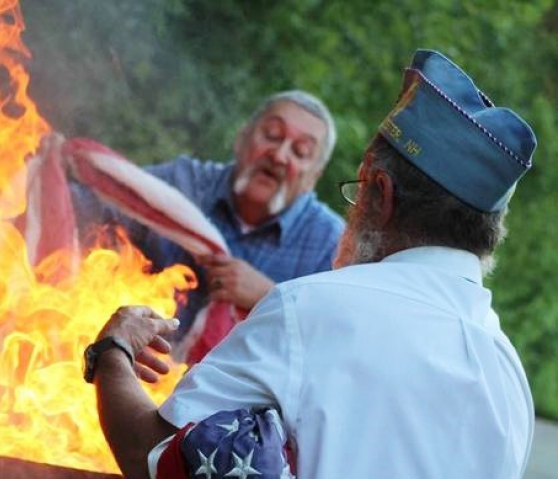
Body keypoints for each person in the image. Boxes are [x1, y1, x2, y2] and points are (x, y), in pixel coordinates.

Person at [83, 49, 536, 479]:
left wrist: (113, 351)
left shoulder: (310, 309)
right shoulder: (509, 377)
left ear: (383, 193)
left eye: (358, 189)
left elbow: (151, 455)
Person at [73, 90, 344, 345]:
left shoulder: (330, 245)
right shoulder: (184, 184)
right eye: (272, 135)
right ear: (242, 138)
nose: (279, 155)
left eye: (301, 152)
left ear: (313, 178)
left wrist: (270, 297)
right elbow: (87, 207)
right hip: (136, 373)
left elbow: (336, 338)